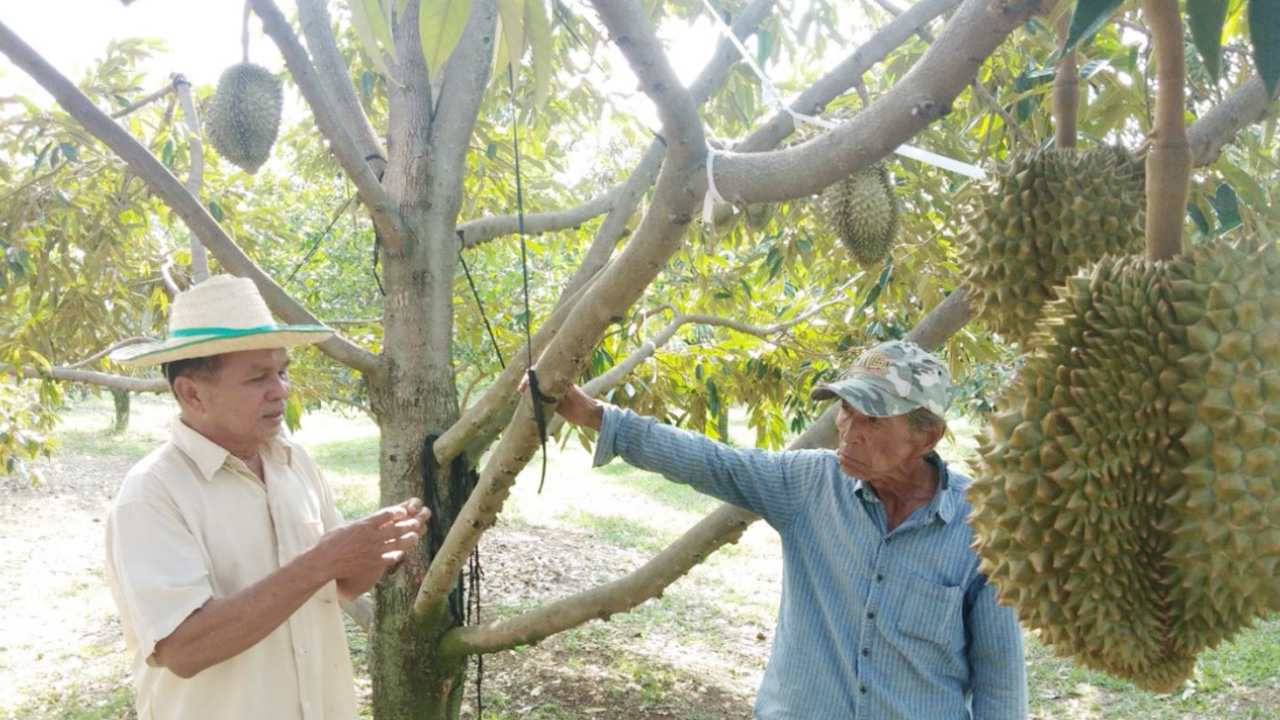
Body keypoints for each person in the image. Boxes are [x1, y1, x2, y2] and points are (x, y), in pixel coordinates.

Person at [548, 339, 1027, 719]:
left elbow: (1001, 683)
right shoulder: (808, 484)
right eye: (846, 410)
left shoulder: (980, 525)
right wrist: (596, 416)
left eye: (873, 420)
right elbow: (712, 461)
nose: (849, 430)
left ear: (927, 436)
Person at [104, 275, 429, 720]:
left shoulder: (294, 461)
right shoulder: (152, 495)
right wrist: (323, 561)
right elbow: (183, 648)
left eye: (282, 371)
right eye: (258, 377)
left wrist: (373, 547)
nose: (281, 390)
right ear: (192, 393)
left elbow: (343, 586)